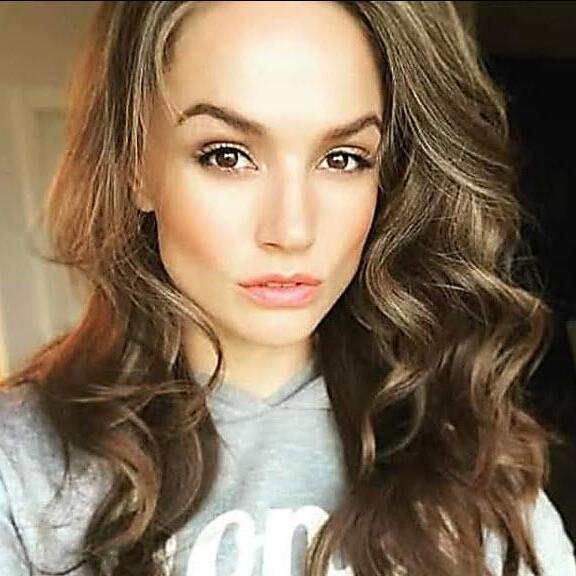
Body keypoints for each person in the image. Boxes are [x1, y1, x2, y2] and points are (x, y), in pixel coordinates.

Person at [0, 1, 574, 575]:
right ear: (135, 168)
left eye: (343, 159)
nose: (292, 230)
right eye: (228, 156)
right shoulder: (20, 464)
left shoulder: (466, 448)